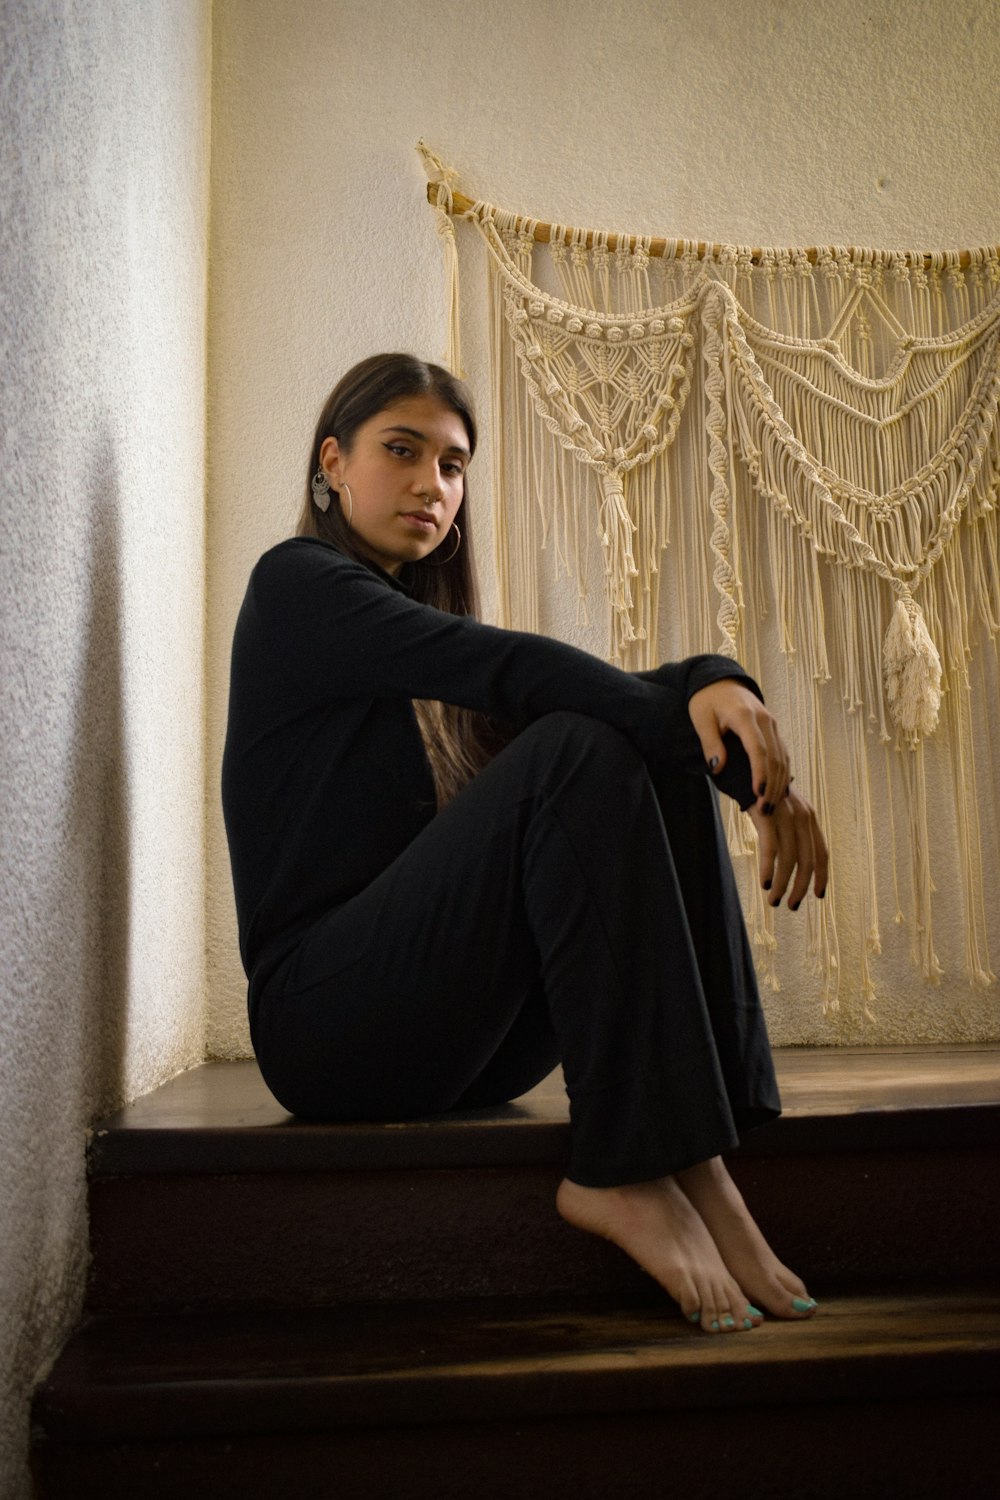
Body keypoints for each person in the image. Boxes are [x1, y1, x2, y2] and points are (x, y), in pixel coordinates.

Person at [222, 352, 828, 1337]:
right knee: (579, 742)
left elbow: (569, 690)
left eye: (454, 465)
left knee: (612, 742)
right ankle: (621, 1169)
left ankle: (695, 1159)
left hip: (461, 1039)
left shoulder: (417, 638)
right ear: (332, 463)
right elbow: (513, 668)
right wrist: (736, 776)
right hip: (325, 1028)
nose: (432, 484)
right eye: (402, 451)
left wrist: (720, 681)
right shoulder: (297, 586)